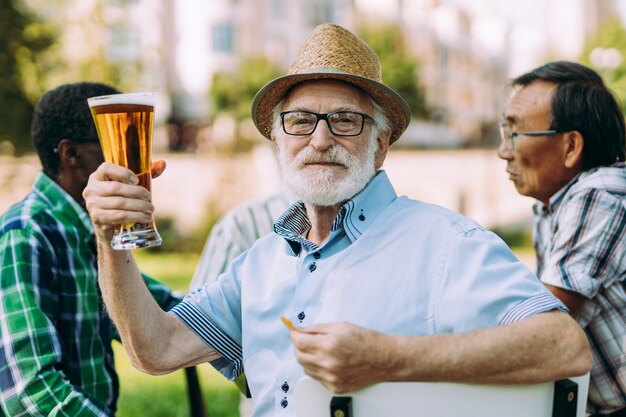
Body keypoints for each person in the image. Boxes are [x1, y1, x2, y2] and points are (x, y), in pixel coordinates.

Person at [83, 24, 591, 417]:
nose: (320, 140)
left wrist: (388, 359)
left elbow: (563, 346)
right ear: (279, 140)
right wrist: (110, 241)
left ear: (381, 145)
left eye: (346, 121)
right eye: (300, 120)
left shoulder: (445, 243)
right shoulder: (259, 262)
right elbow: (155, 348)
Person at [0, 82, 180, 416]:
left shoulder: (83, 233)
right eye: (116, 147)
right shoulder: (25, 234)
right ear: (70, 154)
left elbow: (164, 309)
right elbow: (28, 394)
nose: (129, 161)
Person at [497, 61, 626, 417]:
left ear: (571, 147)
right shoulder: (553, 206)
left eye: (514, 133)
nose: (503, 151)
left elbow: (543, 329)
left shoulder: (598, 196)